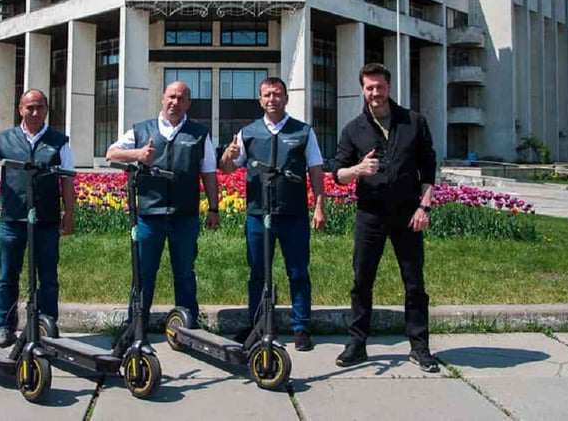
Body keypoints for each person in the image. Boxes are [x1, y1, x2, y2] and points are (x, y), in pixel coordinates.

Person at [329, 62, 439, 372]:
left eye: (379, 87)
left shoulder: (414, 122)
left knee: (414, 282)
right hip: (370, 215)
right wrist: (358, 170)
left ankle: (419, 347)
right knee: (361, 281)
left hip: (408, 215)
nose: (374, 93)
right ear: (362, 90)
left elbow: (428, 169)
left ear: (388, 87)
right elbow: (338, 173)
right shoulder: (353, 129)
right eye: (369, 88)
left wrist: (424, 207)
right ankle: (357, 343)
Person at [220, 77, 327, 352]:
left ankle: (301, 327)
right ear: (260, 100)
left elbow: (315, 170)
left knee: (298, 272)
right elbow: (228, 169)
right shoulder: (248, 132)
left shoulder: (303, 132)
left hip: (293, 215)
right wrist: (228, 155)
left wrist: (319, 205)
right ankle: (257, 325)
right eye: (267, 95)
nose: (272, 99)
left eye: (277, 94)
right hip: (258, 215)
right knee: (258, 272)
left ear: (286, 98)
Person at [105, 80, 220, 321]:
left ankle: (188, 326)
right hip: (149, 216)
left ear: (188, 103)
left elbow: (209, 173)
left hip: (184, 216)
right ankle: (135, 325)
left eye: (181, 98)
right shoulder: (141, 130)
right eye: (171, 97)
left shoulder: (199, 134)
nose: (175, 102)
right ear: (162, 98)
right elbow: (111, 153)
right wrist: (137, 154)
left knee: (185, 273)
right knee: (144, 273)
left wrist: (213, 208)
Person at [0, 89, 75, 347]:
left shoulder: (59, 141)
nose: (35, 112)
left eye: (40, 107)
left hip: (47, 220)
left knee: (48, 276)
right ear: (20, 109)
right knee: (8, 274)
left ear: (47, 110)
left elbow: (67, 180)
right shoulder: (4, 139)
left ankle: (46, 324)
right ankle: (5, 326)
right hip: (13, 219)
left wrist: (69, 213)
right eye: (30, 107)